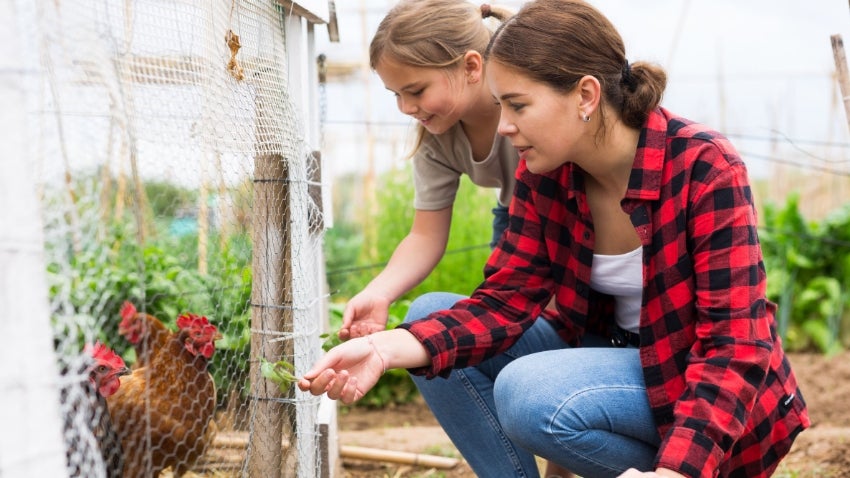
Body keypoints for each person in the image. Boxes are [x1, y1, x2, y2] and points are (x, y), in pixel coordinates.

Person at [301, 0, 810, 477]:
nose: (502, 127)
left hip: (697, 376)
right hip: (609, 356)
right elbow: (505, 302)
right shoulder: (544, 175)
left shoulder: (702, 165)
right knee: (426, 317)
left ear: (586, 95)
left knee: (532, 395)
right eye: (500, 106)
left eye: (518, 106)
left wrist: (677, 469)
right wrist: (385, 349)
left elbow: (734, 343)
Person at [338, 0, 518, 342]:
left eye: (416, 91)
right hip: (515, 220)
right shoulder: (437, 137)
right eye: (396, 95)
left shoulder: (525, 106)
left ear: (471, 67)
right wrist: (379, 292)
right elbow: (425, 235)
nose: (406, 108)